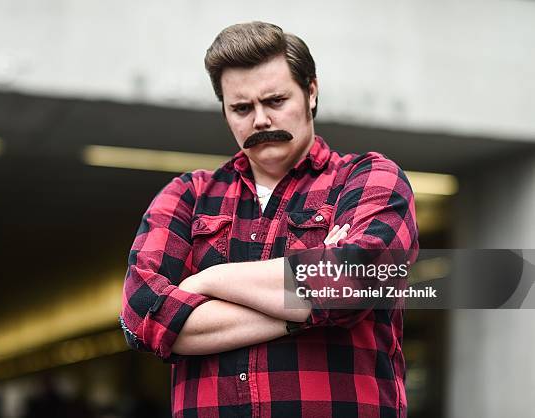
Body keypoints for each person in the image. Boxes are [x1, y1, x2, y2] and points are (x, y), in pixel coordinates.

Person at [119, 21, 418, 418]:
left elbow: (353, 280)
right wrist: (306, 304)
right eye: (242, 108)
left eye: (276, 101)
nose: (260, 120)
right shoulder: (187, 197)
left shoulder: (369, 178)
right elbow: (143, 315)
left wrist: (208, 281)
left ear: (311, 92)